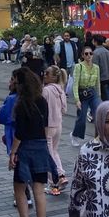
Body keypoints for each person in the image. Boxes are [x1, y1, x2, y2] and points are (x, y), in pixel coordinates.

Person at [8, 67, 50, 217]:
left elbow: (20, 133)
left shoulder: (21, 104)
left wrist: (13, 152)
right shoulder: (42, 101)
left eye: (15, 81)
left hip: (25, 150)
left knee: (19, 187)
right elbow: (46, 127)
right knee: (39, 190)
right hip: (41, 147)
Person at [42, 65, 67, 194]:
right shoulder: (60, 89)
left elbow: (41, 107)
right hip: (58, 124)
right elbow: (64, 109)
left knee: (48, 153)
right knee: (54, 151)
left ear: (53, 77)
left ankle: (54, 182)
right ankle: (61, 175)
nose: (44, 75)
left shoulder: (46, 91)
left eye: (47, 73)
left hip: (48, 125)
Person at [70, 45, 101, 146]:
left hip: (93, 93)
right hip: (82, 94)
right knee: (82, 118)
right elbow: (75, 84)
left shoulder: (96, 67)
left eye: (91, 53)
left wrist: (99, 96)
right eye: (86, 54)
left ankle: (98, 138)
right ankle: (75, 135)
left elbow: (98, 83)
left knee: (98, 115)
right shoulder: (79, 66)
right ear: (83, 55)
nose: (89, 55)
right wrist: (77, 100)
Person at [92, 35, 109, 101]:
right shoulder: (107, 51)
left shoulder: (95, 53)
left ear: (95, 42)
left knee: (101, 96)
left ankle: (103, 109)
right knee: (106, 94)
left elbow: (95, 67)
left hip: (100, 77)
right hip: (108, 76)